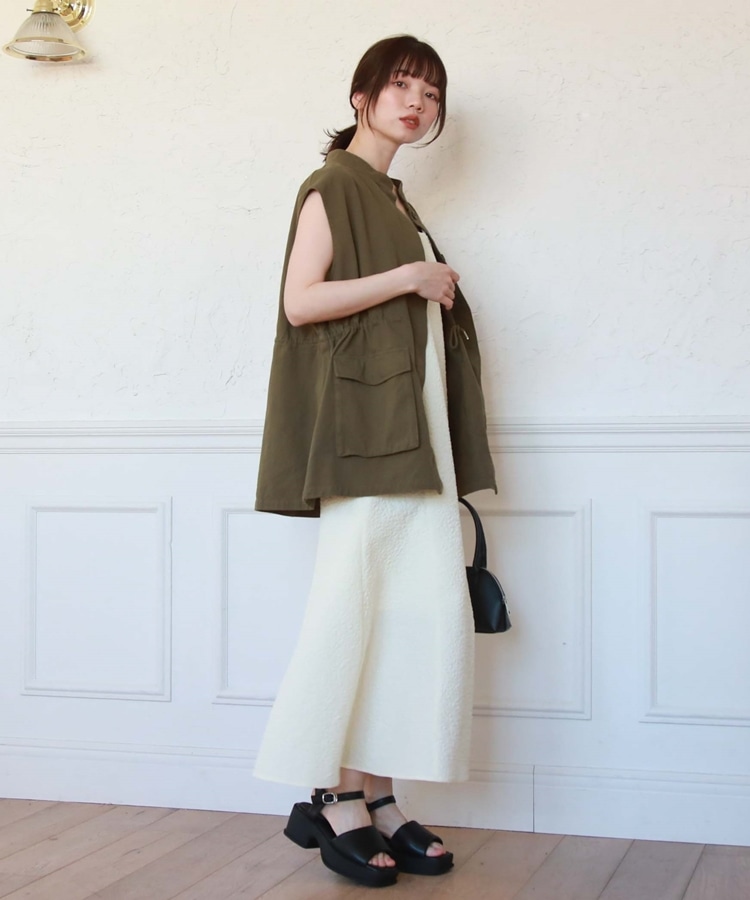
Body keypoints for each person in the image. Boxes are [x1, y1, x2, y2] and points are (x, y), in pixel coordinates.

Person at [254, 35, 496, 888]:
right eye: (401, 85)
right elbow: (301, 300)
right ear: (362, 94)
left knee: (409, 617)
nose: (417, 102)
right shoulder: (334, 185)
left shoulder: (394, 198)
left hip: (414, 439)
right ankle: (331, 795)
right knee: (353, 610)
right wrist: (409, 277)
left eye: (430, 92)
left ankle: (378, 794)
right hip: (369, 438)